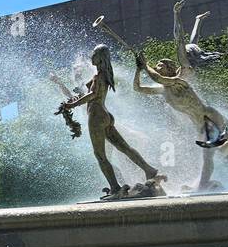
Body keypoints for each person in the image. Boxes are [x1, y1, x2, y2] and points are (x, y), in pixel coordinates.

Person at [133, 0, 228, 190]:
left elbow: (179, 40)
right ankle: (204, 183)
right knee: (209, 154)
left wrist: (176, 14)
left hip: (209, 119)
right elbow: (139, 89)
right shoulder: (168, 84)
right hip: (198, 123)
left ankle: (203, 186)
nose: (157, 66)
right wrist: (139, 69)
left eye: (160, 65)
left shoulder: (182, 75)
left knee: (208, 155)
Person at [57, 44, 164, 198]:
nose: (91, 57)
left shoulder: (98, 76)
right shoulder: (104, 74)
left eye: (94, 54)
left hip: (96, 117)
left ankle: (114, 188)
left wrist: (73, 104)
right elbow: (92, 93)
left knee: (100, 155)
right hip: (105, 115)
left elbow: (92, 94)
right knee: (125, 148)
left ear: (100, 57)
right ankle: (149, 169)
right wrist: (75, 97)